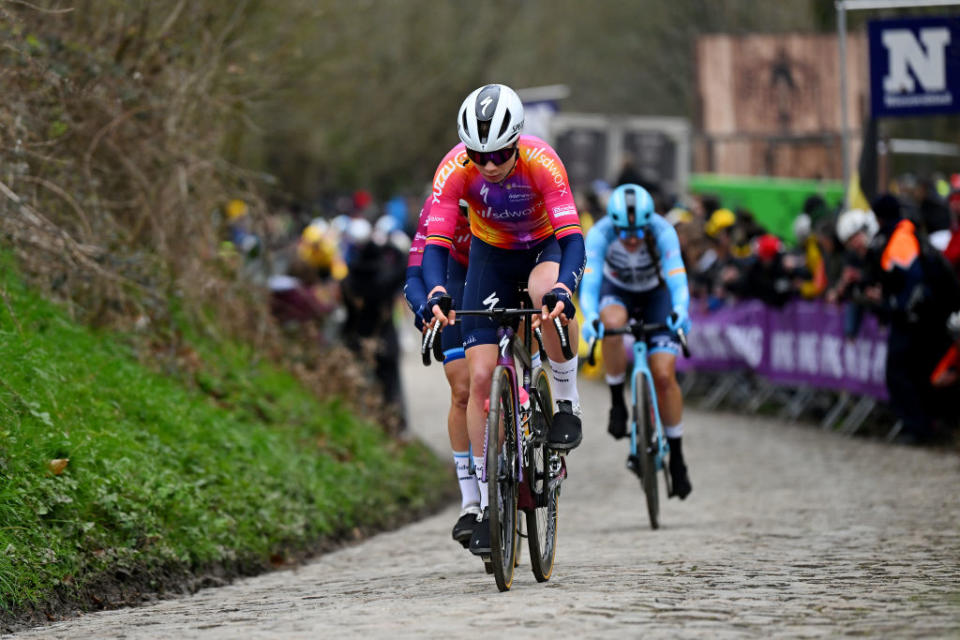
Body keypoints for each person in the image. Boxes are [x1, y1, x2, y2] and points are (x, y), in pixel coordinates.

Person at [421, 83, 586, 556]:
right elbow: (435, 246)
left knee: (542, 296)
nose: (490, 165)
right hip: (491, 255)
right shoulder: (454, 169)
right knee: (478, 380)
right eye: (479, 154)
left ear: (518, 140)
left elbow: (573, 237)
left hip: (544, 247)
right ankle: (489, 504)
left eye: (500, 153)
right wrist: (435, 290)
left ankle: (568, 400)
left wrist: (563, 289)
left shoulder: (542, 161)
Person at [579, 183, 693, 500]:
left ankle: (678, 458)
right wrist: (590, 316)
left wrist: (681, 309)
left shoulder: (662, 230)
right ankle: (617, 401)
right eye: (624, 233)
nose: (631, 239)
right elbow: (590, 284)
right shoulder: (600, 233)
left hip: (656, 295)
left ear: (648, 223)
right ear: (614, 224)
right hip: (618, 293)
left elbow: (677, 277)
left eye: (638, 232)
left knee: (663, 374)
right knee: (612, 324)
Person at [404, 196, 480, 548]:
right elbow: (415, 272)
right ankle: (470, 501)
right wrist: (425, 310)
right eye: (462, 211)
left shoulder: (509, 199)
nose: (466, 218)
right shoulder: (438, 207)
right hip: (458, 278)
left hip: (506, 266)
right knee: (463, 390)